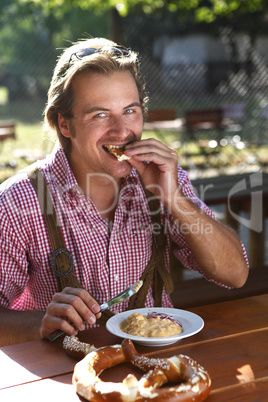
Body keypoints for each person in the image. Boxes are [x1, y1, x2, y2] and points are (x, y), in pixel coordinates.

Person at [0, 37, 248, 346]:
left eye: (130, 110)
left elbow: (235, 274)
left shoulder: (162, 178)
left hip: (155, 368)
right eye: (100, 115)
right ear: (65, 124)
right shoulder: (18, 200)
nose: (121, 131)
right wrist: (42, 321)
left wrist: (174, 199)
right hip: (65, 377)